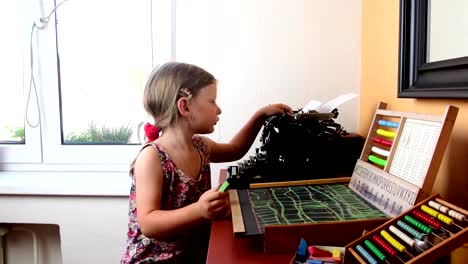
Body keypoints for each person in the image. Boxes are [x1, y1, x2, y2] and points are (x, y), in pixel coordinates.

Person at [121, 62, 292, 263]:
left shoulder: (201, 146)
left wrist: (260, 115)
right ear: (185, 106)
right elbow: (149, 223)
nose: (218, 110)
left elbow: (235, 149)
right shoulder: (152, 158)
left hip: (194, 254)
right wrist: (199, 210)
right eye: (212, 101)